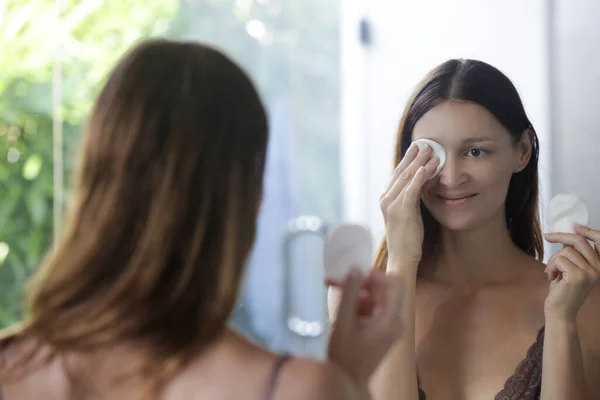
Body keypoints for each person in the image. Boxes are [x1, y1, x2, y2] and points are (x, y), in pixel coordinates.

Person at [0, 39, 405, 400]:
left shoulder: (12, 366)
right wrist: (348, 379)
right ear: (242, 198)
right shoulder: (294, 388)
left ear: (95, 179)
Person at [330, 59, 600, 399]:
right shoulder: (355, 302)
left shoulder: (585, 302)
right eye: (434, 155)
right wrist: (401, 262)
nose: (451, 178)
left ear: (523, 150)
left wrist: (562, 319)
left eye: (475, 152)